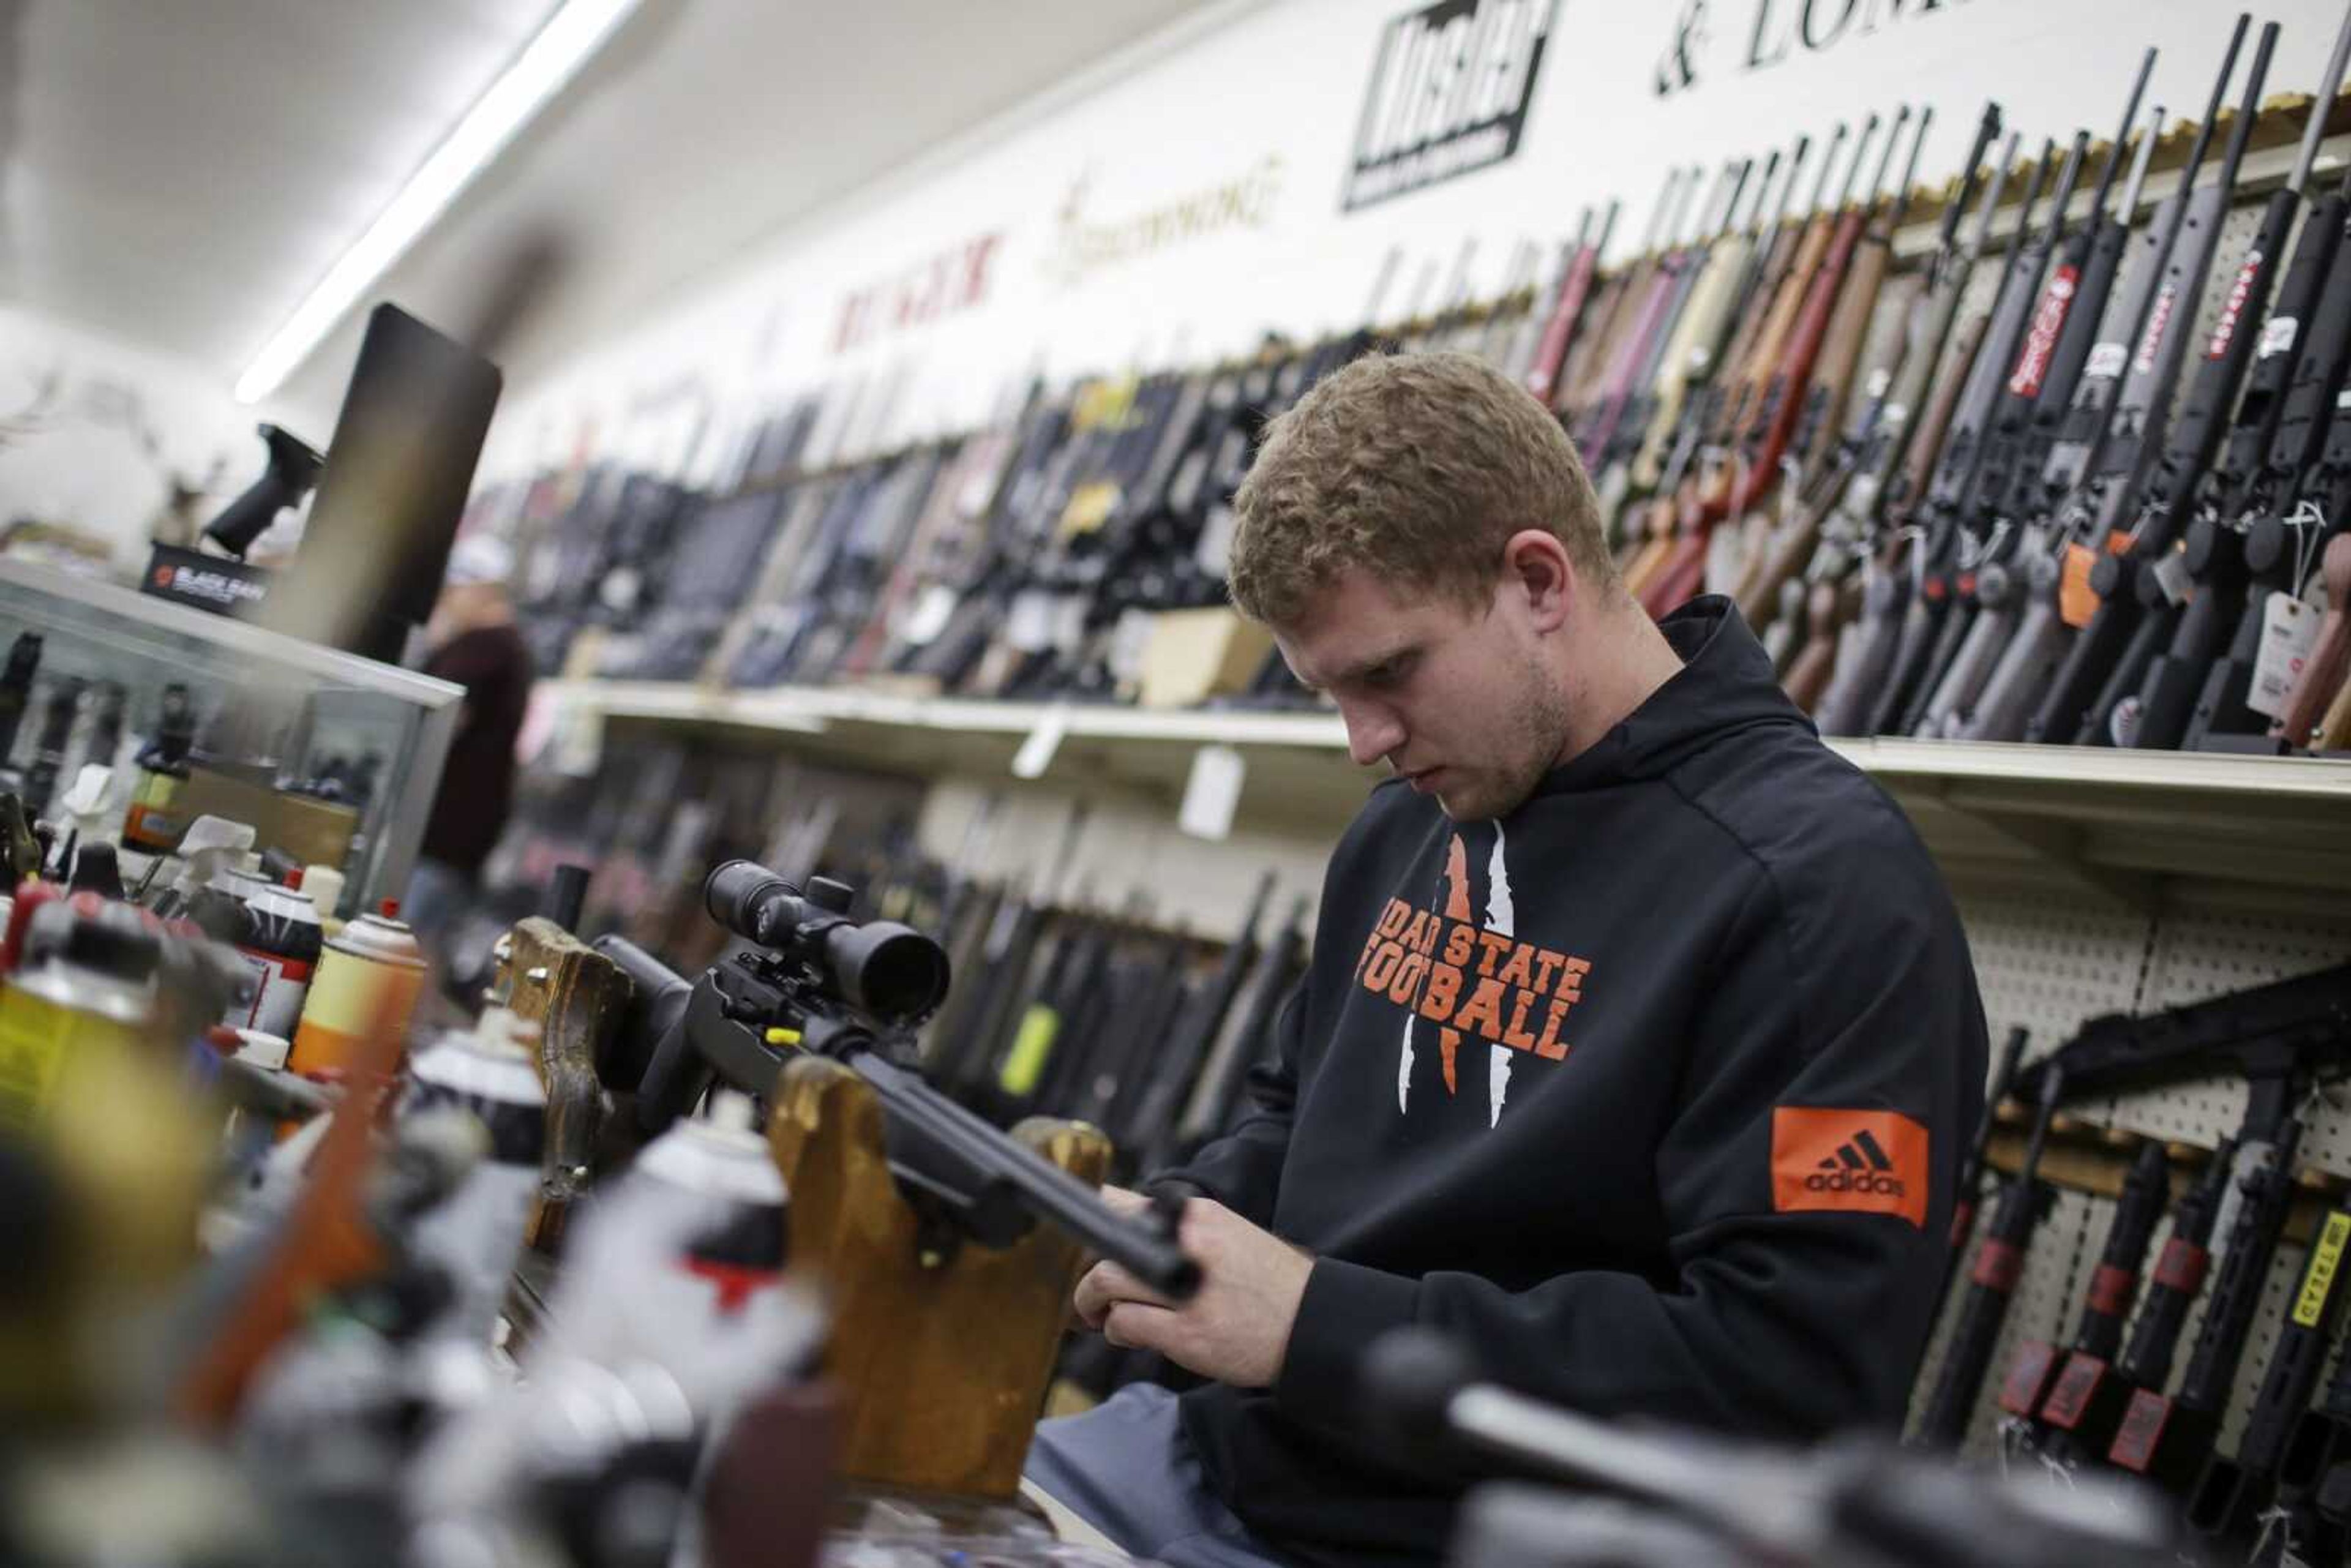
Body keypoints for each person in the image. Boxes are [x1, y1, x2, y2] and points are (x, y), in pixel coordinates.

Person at [1022, 351, 1989, 1568]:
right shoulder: (1413, 820)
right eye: (1331, 693)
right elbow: (1298, 1119)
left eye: (1388, 672)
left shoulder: (1824, 894)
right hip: (1201, 1460)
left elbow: (1790, 1382)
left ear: (1538, 580)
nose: (1366, 741)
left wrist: (1318, 1322)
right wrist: (1155, 1232)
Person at [402, 533, 533, 951]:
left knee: (399, 948)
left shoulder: (484, 648)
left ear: (479, 590)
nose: (447, 601)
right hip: (452, 840)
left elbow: (439, 720)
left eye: (453, 591)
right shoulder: (501, 648)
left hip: (441, 839)